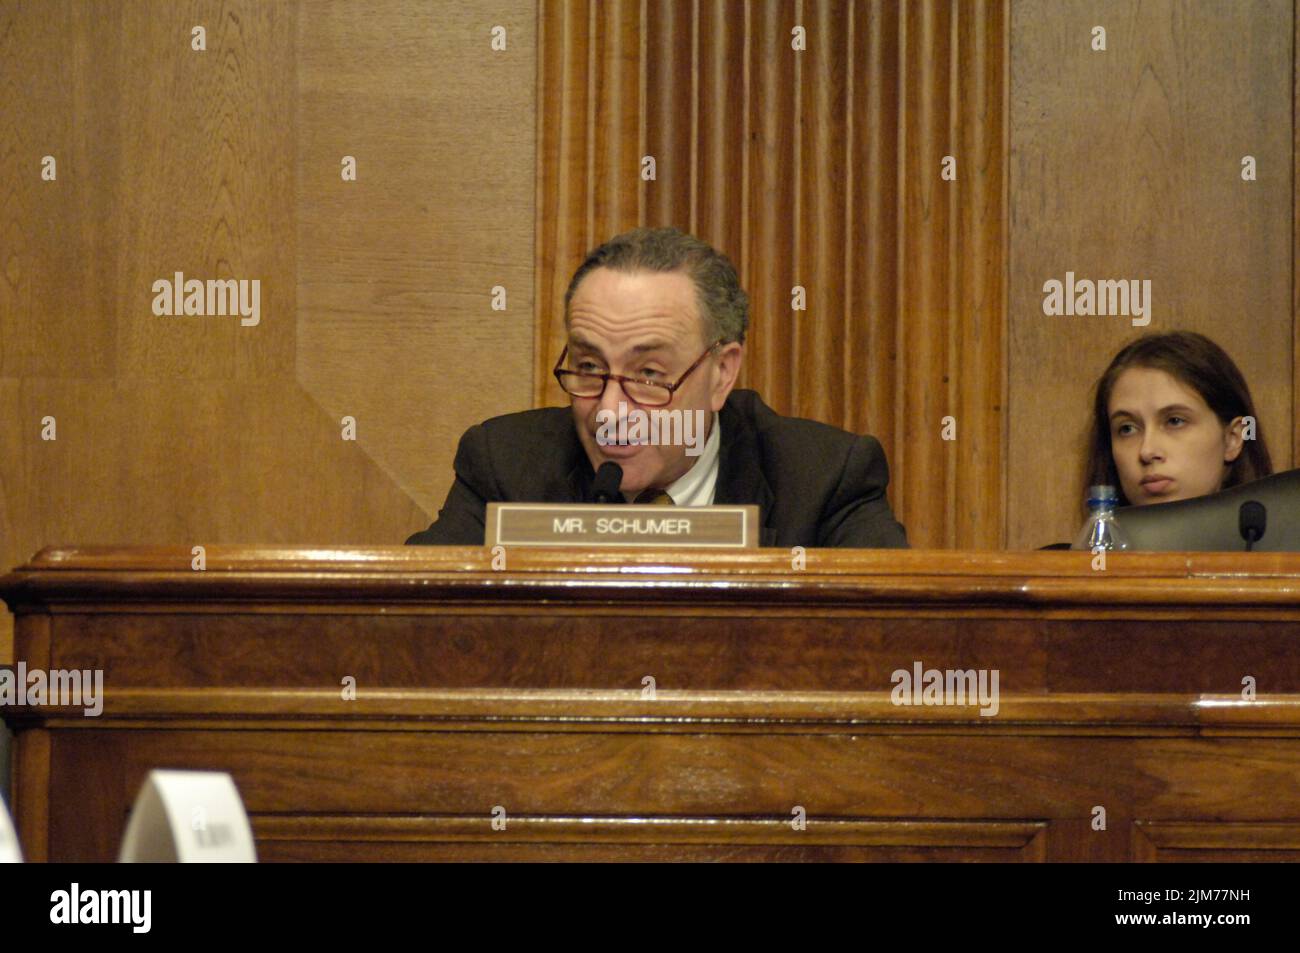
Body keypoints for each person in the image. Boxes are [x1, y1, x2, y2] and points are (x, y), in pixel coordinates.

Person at [406, 226, 908, 548]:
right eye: (588, 366)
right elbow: (406, 616)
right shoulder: (504, 467)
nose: (609, 412)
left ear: (721, 373)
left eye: (648, 375)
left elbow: (899, 642)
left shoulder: (823, 481)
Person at [1080, 330, 1272, 513]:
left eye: (1174, 421)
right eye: (1127, 429)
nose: (1147, 451)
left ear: (1233, 439)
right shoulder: (1069, 549)